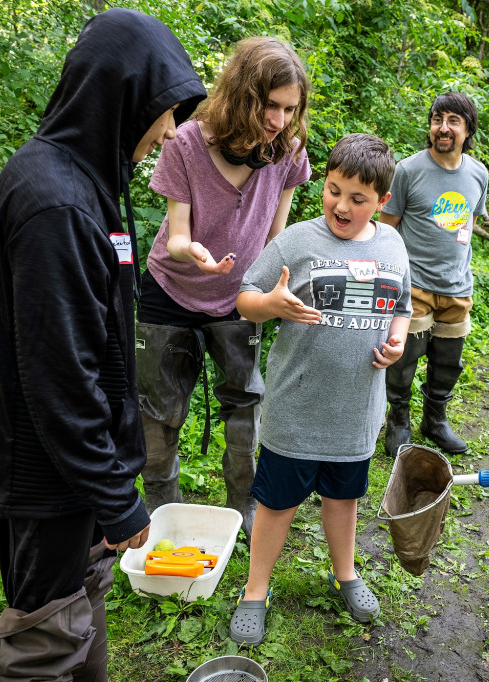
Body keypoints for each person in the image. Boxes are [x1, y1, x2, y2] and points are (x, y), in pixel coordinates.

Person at [0, 9, 206, 681]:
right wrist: (117, 495)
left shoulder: (85, 185)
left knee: (80, 607)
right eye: (161, 115)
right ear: (120, 99)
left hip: (74, 472)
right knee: (45, 632)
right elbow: (58, 375)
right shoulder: (55, 204)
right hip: (46, 476)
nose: (166, 134)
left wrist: (107, 483)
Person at [227, 133, 411, 645]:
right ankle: (255, 589)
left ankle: (345, 573)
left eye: (358, 198)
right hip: (296, 407)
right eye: (333, 190)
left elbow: (402, 308)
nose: (342, 205)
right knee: (276, 504)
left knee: (343, 497)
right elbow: (245, 295)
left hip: (357, 410)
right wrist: (273, 306)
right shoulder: (298, 241)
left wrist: (396, 342)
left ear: (382, 202)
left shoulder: (393, 244)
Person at [135, 36, 311, 540]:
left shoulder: (287, 153)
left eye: (288, 109)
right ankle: (159, 505)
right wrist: (193, 252)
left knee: (244, 401)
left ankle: (242, 502)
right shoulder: (186, 142)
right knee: (159, 408)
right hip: (170, 289)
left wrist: (281, 285)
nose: (278, 121)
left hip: (242, 295)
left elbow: (277, 237)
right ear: (240, 94)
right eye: (269, 106)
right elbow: (178, 235)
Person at [379, 92, 489, 456]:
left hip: (457, 287)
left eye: (453, 121)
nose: (443, 128)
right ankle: (398, 421)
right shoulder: (408, 171)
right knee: (404, 359)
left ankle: (435, 420)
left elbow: (468, 226)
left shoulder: (478, 174)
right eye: (437, 119)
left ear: (467, 129)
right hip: (414, 286)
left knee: (448, 362)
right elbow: (387, 230)